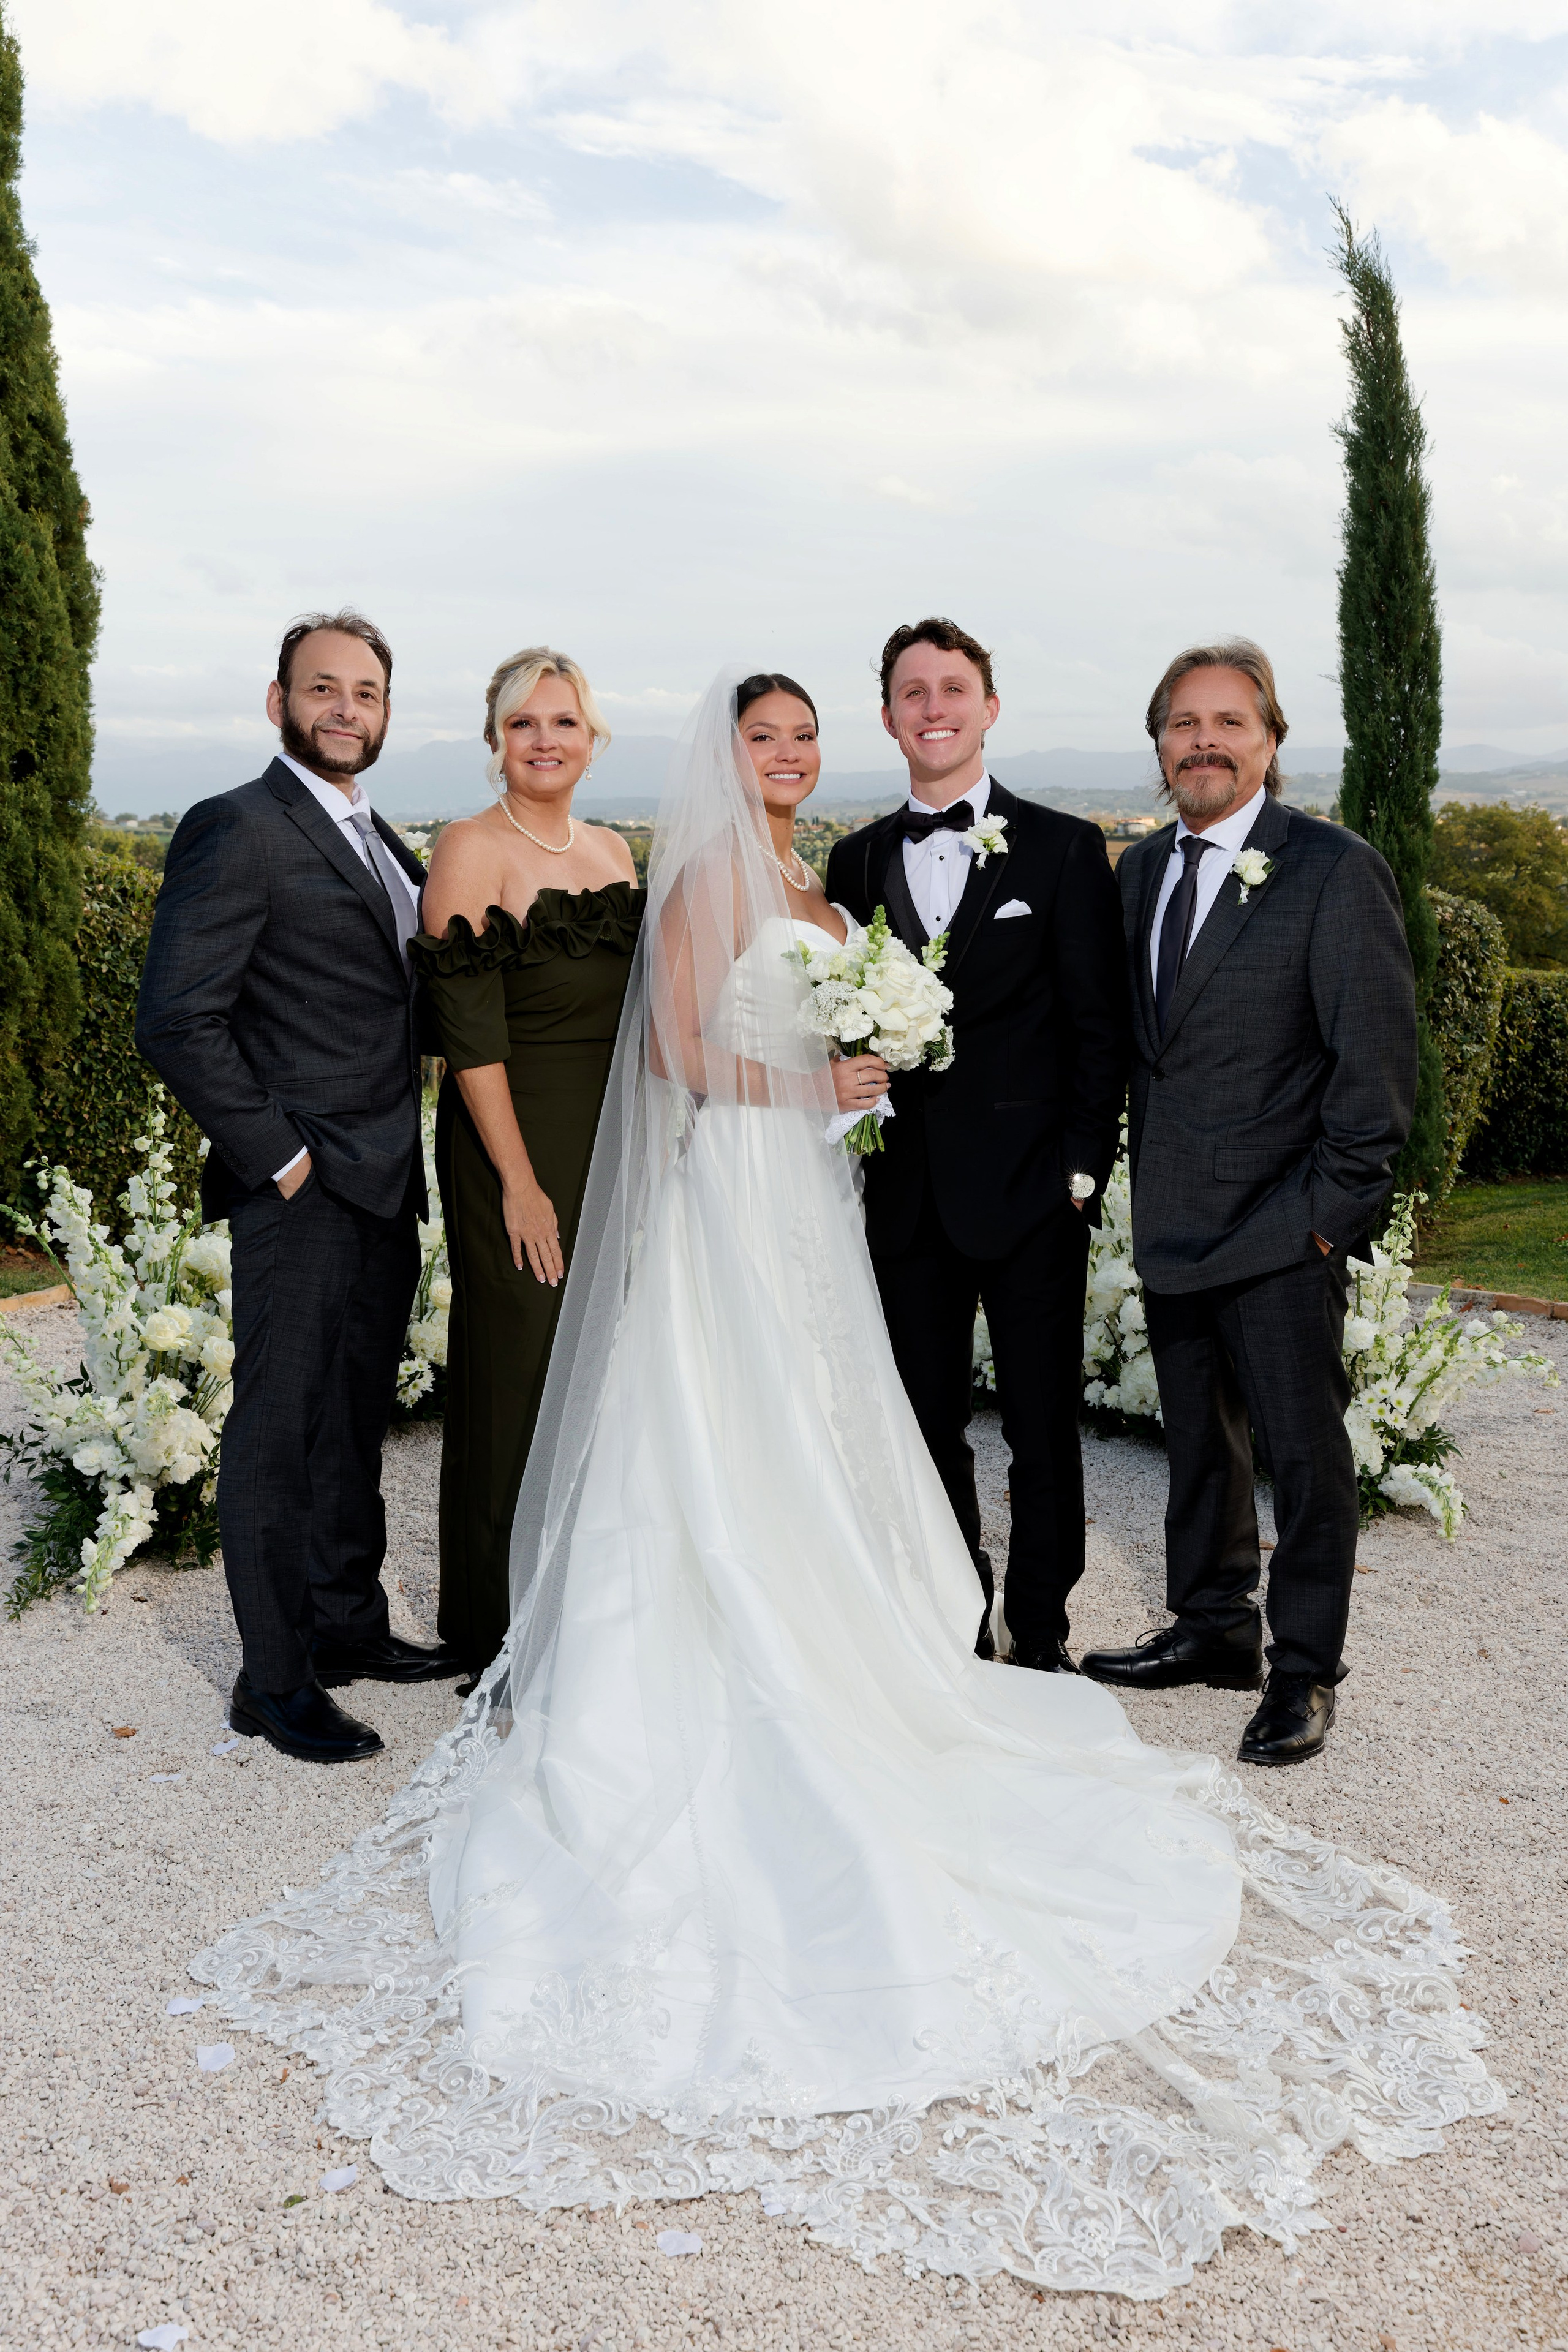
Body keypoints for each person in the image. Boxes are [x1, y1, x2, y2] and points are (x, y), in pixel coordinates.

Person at [198, 670, 1491, 2300]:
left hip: (815, 1203)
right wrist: (816, 1083)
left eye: (807, 735)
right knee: (730, 1436)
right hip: (737, 1191)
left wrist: (880, 1060)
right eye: (766, 737)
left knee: (835, 1425)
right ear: (723, 755)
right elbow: (679, 1052)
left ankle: (1126, 1641)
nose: (791, 756)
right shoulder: (707, 878)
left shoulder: (831, 876)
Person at [1079, 640, 1417, 1766]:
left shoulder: (1332, 868)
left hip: (1283, 1228)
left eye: (1230, 721)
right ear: (1159, 743)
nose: (1205, 742)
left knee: (1305, 1461)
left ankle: (1305, 1671)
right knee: (1198, 1446)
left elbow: (1375, 1082)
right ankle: (1215, 1630)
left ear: (1271, 740)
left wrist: (1320, 1224)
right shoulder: (1139, 872)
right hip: (1174, 1220)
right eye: (1184, 723)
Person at [136, 611, 462, 1765]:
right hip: (302, 1187)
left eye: (364, 693)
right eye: (323, 688)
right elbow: (177, 1018)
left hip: (385, 1182)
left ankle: (346, 1626)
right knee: (278, 1429)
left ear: (386, 712)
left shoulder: (381, 839)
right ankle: (272, 1682)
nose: (344, 709)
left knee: (350, 1421)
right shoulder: (238, 825)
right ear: (279, 702)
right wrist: (282, 1158)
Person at [826, 617, 1129, 1669]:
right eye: (913, 692)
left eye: (953, 688)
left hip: (1036, 1193)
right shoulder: (857, 858)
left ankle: (1041, 1632)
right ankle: (959, 1618)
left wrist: (1081, 1173)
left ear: (989, 708)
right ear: (888, 717)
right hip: (906, 1197)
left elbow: (1099, 1027)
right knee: (925, 1426)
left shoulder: (1063, 846)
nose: (934, 708)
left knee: (1042, 1429)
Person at [412, 649, 643, 1686]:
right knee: (518, 1374)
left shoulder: (614, 851)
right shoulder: (470, 848)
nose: (544, 740)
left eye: (563, 722)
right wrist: (518, 1181)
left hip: (608, 1139)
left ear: (593, 739)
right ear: (495, 740)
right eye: (523, 723)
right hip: (514, 1144)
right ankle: (497, 1629)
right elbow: (469, 1034)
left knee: (599, 1373)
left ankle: (580, 1607)